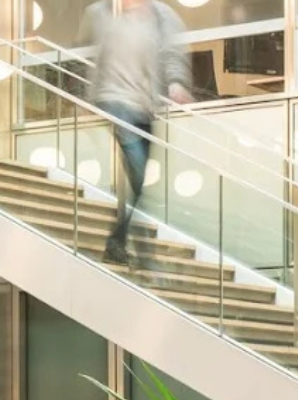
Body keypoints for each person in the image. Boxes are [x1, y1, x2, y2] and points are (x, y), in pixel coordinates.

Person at [80, 0, 193, 265]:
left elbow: (172, 54)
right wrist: (87, 100)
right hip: (116, 104)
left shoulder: (162, 18)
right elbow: (93, 62)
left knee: (140, 185)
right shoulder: (107, 17)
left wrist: (176, 84)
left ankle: (122, 242)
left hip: (144, 108)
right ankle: (130, 247)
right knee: (140, 173)